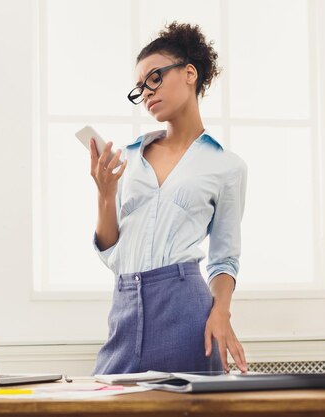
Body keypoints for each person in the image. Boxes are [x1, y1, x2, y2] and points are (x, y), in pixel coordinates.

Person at [90, 22, 248, 375]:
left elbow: (225, 259)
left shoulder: (227, 167)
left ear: (189, 73)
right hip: (125, 304)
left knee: (193, 411)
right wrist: (105, 194)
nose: (146, 92)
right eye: (139, 88)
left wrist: (220, 312)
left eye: (155, 78)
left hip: (186, 307)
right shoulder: (127, 160)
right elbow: (112, 253)